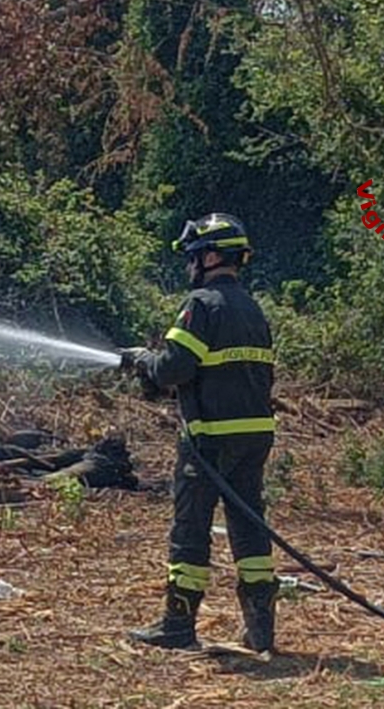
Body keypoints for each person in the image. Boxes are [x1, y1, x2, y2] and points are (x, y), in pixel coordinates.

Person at [121, 213, 279, 652]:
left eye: (194, 256)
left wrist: (142, 360)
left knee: (190, 528)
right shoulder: (251, 308)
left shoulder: (202, 305)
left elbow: (174, 368)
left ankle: (177, 626)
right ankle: (261, 630)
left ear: (211, 257)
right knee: (249, 528)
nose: (190, 265)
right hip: (254, 436)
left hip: (210, 439)